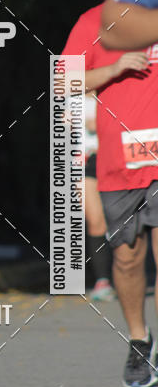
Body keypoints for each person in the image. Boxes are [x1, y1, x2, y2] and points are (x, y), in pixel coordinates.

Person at [62, 0, 158, 386]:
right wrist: (115, 67)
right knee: (127, 257)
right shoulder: (95, 22)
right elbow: (63, 83)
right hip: (121, 161)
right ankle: (140, 341)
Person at [83, 94, 115, 302]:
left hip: (113, 159)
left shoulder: (112, 92)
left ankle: (125, 274)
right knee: (96, 222)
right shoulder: (71, 97)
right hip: (85, 162)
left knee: (117, 219)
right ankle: (103, 281)